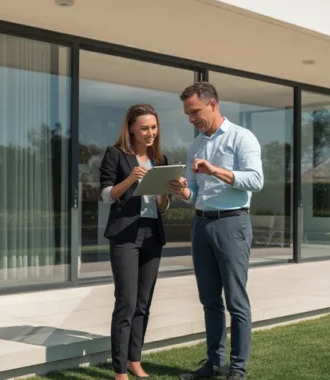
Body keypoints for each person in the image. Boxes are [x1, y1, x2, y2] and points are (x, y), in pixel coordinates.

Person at [167, 82, 264, 380]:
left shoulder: (241, 137)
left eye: (194, 111)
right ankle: (214, 364)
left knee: (236, 300)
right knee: (209, 300)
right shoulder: (195, 145)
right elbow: (195, 193)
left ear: (212, 104)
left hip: (232, 223)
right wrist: (182, 191)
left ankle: (237, 370)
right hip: (201, 224)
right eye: (187, 113)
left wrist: (215, 170)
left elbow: (256, 180)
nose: (191, 118)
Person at [99, 103, 171, 380]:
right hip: (125, 235)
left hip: (152, 234)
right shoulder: (115, 155)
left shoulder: (161, 160)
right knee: (126, 302)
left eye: (153, 127)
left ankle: (134, 360)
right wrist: (130, 179)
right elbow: (106, 195)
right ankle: (119, 370)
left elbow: (162, 207)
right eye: (144, 128)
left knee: (143, 302)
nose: (150, 132)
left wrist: (167, 191)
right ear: (131, 128)